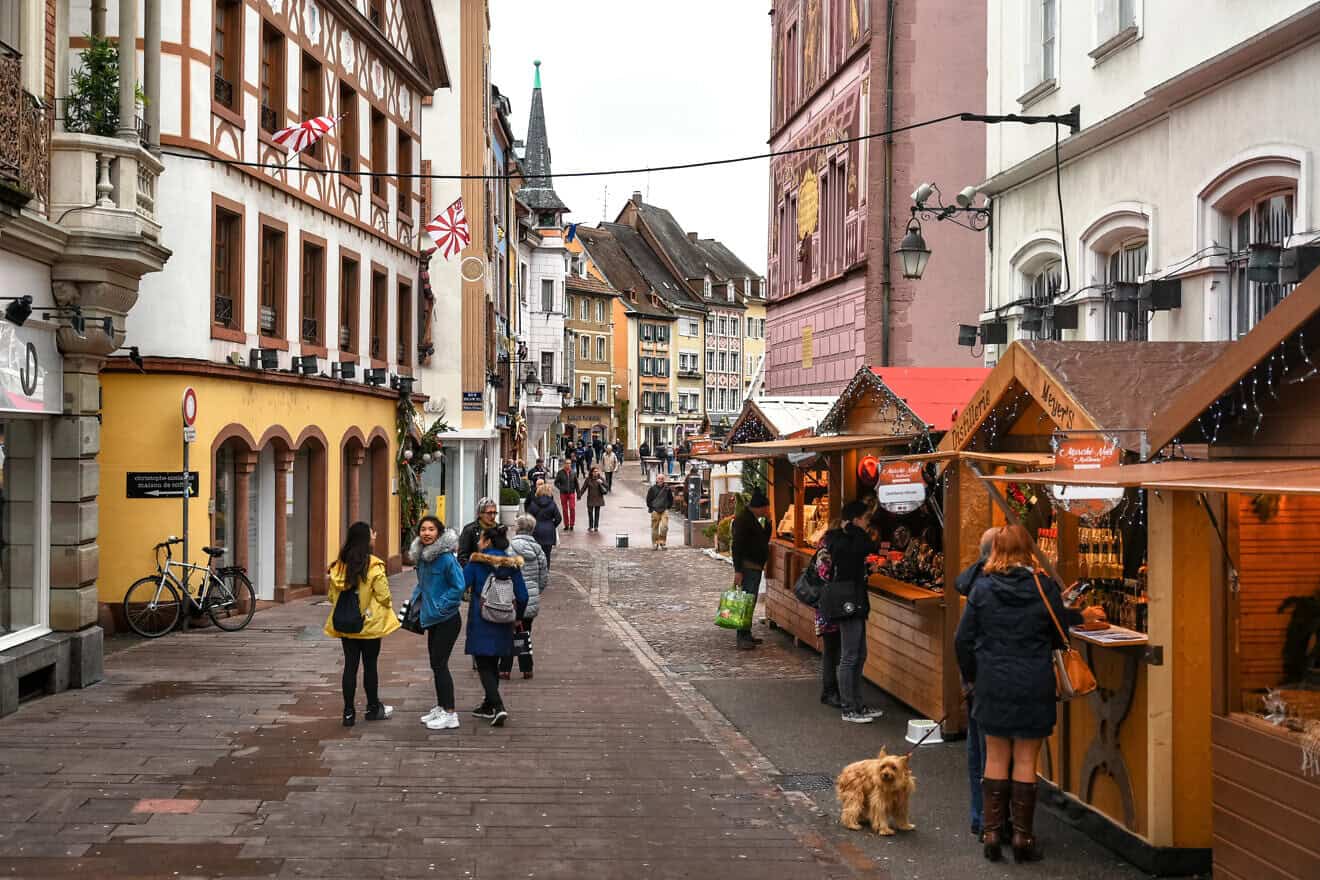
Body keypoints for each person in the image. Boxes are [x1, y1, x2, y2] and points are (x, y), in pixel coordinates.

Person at [955, 524, 1087, 863]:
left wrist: (973, 677)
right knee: (1027, 760)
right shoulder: (1043, 588)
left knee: (995, 758)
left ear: (996, 549)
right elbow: (1060, 636)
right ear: (1028, 549)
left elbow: (962, 640)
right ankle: (1022, 839)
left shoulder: (982, 588)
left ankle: (992, 834)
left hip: (992, 682)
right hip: (1033, 680)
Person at [325, 522, 400, 727]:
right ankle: (373, 708)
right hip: (369, 625)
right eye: (372, 535)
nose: (375, 537)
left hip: (346, 625)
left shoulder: (338, 566)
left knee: (350, 666)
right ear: (366, 540)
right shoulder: (374, 565)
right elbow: (384, 596)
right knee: (370, 666)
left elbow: (332, 597)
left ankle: (348, 713)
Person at [956, 527, 1000, 836]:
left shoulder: (974, 581)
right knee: (991, 752)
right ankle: (990, 820)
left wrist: (968, 678)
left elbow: (962, 639)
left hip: (975, 678)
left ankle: (979, 816)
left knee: (977, 749)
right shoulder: (989, 585)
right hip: (991, 679)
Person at [463, 525, 529, 727]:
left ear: (488, 541)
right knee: (494, 663)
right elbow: (523, 596)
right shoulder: (513, 566)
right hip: (504, 621)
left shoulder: (476, 563)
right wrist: (517, 617)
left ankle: (499, 706)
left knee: (484, 664)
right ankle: (488, 704)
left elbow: (460, 585)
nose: (479, 542)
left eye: (482, 539)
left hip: (481, 618)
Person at [823, 501, 883, 724]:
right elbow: (865, 546)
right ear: (856, 519)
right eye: (865, 519)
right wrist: (855, 529)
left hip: (856, 599)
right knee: (850, 656)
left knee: (860, 653)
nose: (868, 524)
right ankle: (849, 707)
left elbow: (861, 552)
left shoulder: (847, 538)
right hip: (847, 601)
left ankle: (858, 704)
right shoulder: (840, 538)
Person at [409, 516, 465, 731]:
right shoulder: (423, 557)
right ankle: (442, 706)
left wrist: (441, 606)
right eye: (423, 529)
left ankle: (451, 713)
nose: (426, 533)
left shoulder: (446, 559)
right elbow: (423, 586)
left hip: (447, 619)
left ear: (439, 533)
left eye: (431, 529)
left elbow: (458, 586)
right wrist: (414, 604)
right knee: (435, 663)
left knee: (440, 665)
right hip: (431, 618)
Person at [503, 515, 547, 680]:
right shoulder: (538, 550)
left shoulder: (509, 548)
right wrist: (535, 591)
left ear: (517, 528)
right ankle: (527, 668)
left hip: (511, 598)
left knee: (508, 633)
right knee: (524, 632)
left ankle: (505, 669)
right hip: (530, 598)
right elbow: (544, 577)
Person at [730, 492, 772, 650]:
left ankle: (746, 633)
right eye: (766, 508)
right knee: (746, 602)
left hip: (754, 566)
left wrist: (769, 522)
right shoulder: (743, 521)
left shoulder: (752, 519)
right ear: (759, 508)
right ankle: (742, 636)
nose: (767, 510)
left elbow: (763, 539)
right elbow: (737, 546)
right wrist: (738, 570)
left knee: (750, 601)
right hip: (748, 567)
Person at [526, 481, 562, 566]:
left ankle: (537, 571)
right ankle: (545, 572)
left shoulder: (533, 504)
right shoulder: (552, 504)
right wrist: (552, 525)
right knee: (547, 554)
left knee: (536, 554)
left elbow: (528, 518)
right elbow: (558, 518)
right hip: (549, 532)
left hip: (536, 531)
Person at [457, 497, 498, 565]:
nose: (493, 516)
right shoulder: (469, 530)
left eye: (494, 512)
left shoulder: (498, 529)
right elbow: (462, 559)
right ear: (480, 514)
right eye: (489, 513)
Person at [646, 473, 673, 550]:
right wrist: (652, 508)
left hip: (664, 509)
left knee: (664, 527)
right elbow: (648, 500)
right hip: (655, 510)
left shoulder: (667, 489)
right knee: (654, 528)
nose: (660, 480)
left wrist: (668, 507)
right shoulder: (652, 489)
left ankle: (662, 542)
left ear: (664, 480)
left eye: (662, 479)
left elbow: (671, 499)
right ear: (656, 479)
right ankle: (655, 543)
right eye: (659, 478)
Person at [578, 464, 608, 533]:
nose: (596, 473)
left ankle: (596, 527)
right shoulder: (588, 479)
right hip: (590, 499)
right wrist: (579, 495)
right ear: (591, 472)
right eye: (594, 471)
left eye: (597, 471)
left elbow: (607, 486)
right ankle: (591, 526)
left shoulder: (601, 478)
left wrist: (602, 482)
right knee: (590, 513)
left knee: (597, 513)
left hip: (598, 498)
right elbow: (583, 488)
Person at [554, 458, 578, 532]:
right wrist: (561, 488)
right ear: (564, 464)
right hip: (563, 493)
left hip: (571, 493)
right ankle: (566, 525)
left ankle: (572, 524)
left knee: (572, 508)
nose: (568, 465)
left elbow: (576, 483)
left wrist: (579, 493)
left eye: (569, 463)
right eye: (567, 463)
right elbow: (556, 482)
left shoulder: (573, 473)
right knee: (564, 509)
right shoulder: (560, 473)